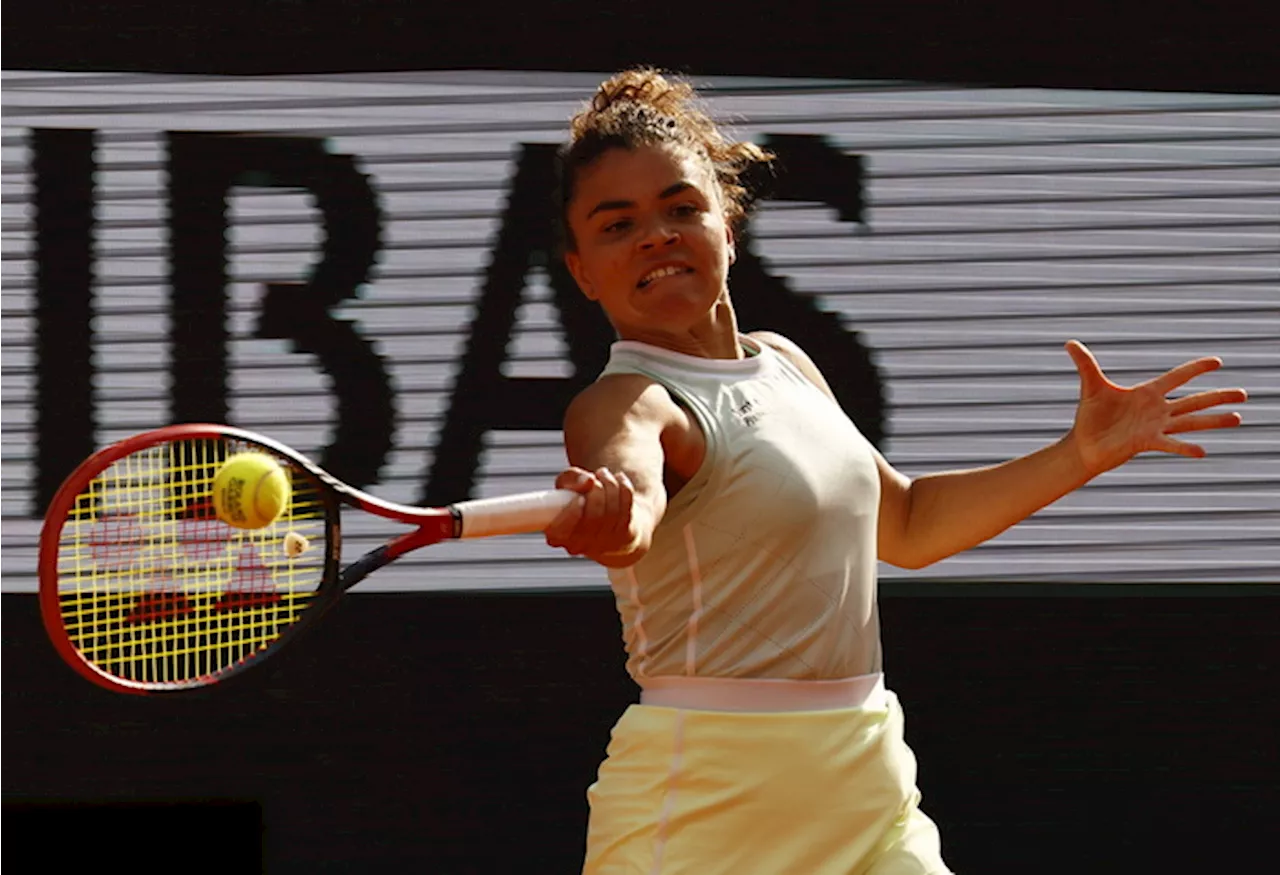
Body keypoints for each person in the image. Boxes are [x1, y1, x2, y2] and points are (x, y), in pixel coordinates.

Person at [543, 68, 1248, 875]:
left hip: (865, 775)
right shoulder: (624, 401)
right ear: (582, 270)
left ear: (727, 226)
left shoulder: (785, 363)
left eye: (681, 209)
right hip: (702, 801)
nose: (657, 236)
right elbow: (628, 497)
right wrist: (615, 511)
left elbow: (908, 525)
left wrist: (1078, 455)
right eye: (616, 224)